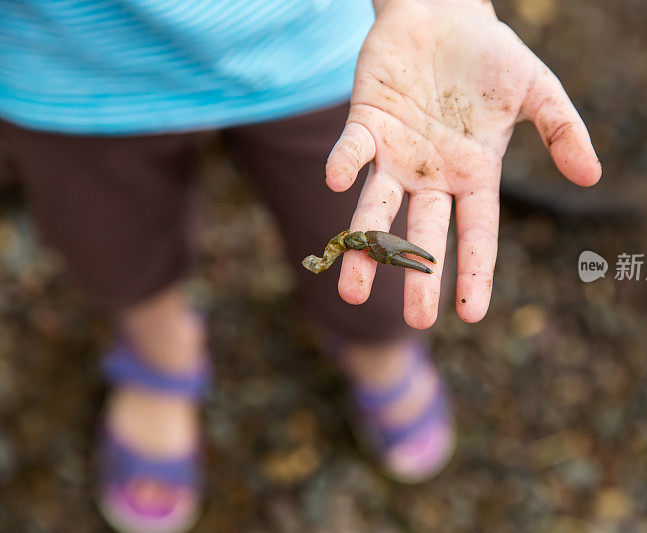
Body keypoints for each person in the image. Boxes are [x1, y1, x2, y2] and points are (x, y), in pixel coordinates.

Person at [0, 0, 601, 531]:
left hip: (327, 54)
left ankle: (376, 345)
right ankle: (160, 353)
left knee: (383, 258)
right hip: (67, 75)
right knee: (111, 248)